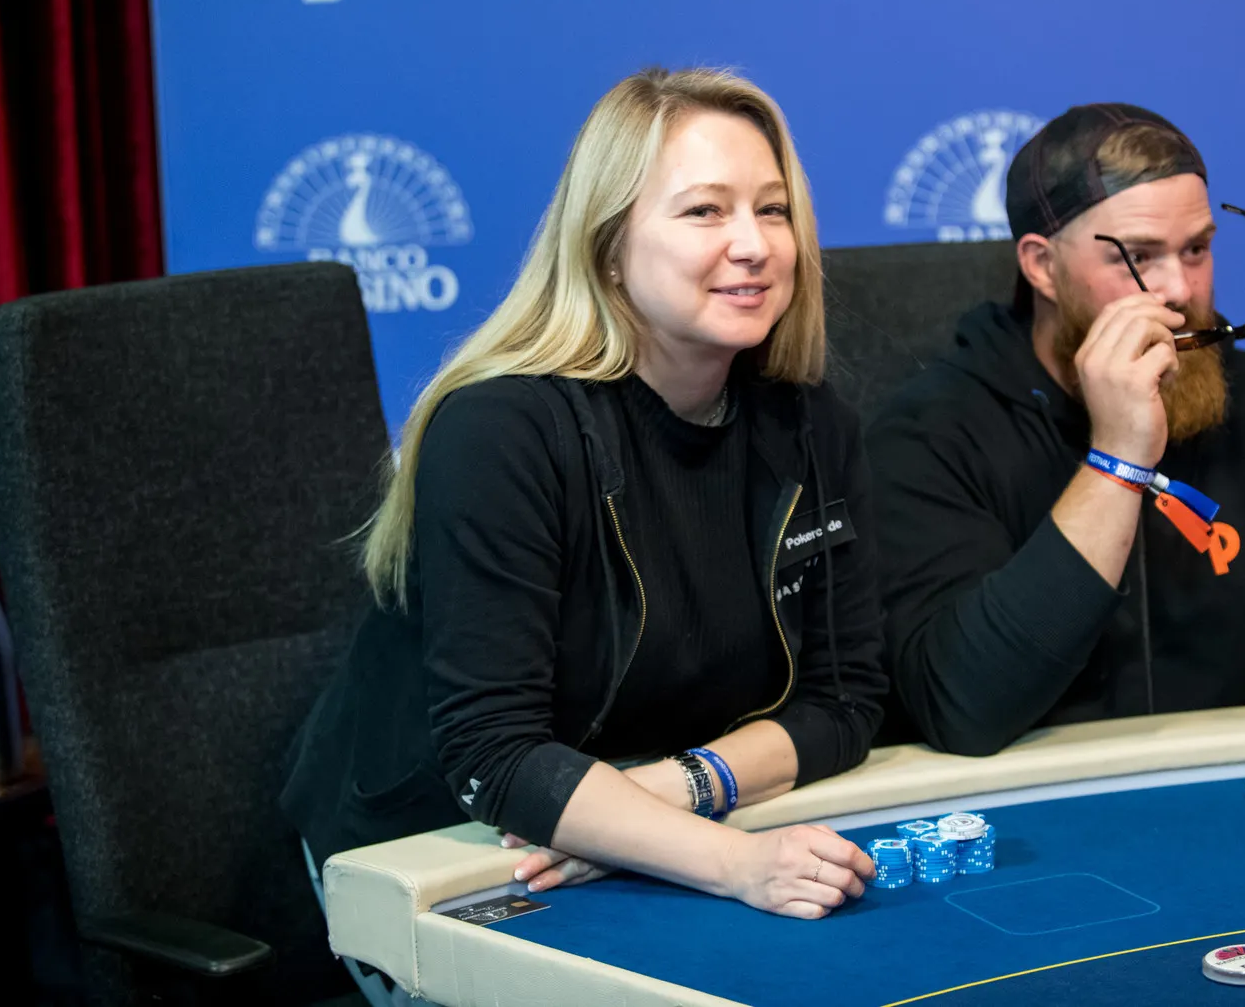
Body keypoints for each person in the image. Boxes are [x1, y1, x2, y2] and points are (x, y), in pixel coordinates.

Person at [281, 67, 885, 925]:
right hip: (445, 859)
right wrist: (738, 862)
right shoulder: (500, 427)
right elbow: (494, 754)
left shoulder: (810, 423)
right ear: (608, 249)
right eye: (704, 211)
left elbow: (845, 700)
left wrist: (680, 786)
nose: (754, 244)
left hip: (642, 838)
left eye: (773, 209)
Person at [868, 103, 1245, 756]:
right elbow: (963, 709)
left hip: (1216, 795)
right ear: (1041, 266)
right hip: (1024, 806)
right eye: (1139, 256)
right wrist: (1119, 457)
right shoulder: (929, 434)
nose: (1179, 288)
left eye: (1197, 248)